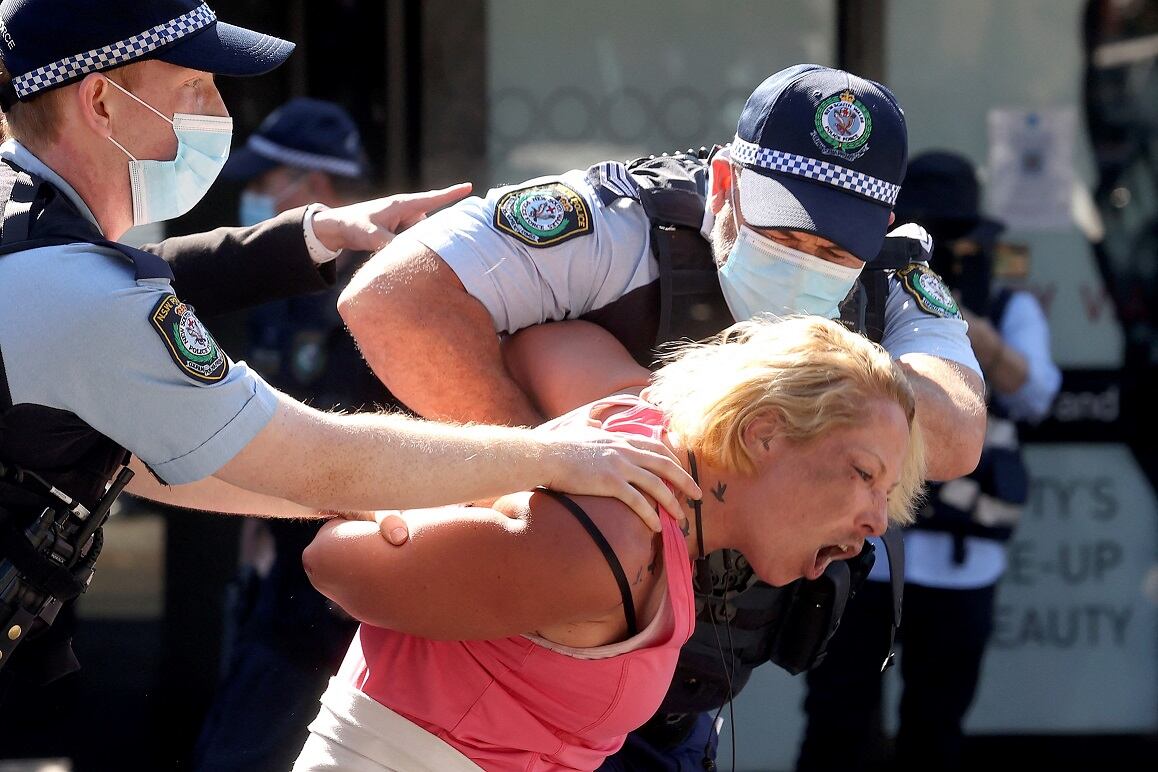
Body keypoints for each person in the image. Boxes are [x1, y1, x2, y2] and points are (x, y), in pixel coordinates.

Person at [0, 0, 700, 694]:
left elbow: (155, 454)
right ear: (101, 102)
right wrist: (554, 455)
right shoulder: (81, 297)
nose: (217, 109)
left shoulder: (28, 228)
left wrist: (315, 235)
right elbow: (308, 455)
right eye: (193, 84)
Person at [336, 63, 987, 767]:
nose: (805, 266)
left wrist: (810, 380)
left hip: (673, 709)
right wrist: (547, 478)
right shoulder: (622, 224)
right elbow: (392, 301)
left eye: (834, 252)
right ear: (725, 183)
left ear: (878, 230)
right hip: (508, 689)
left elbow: (955, 437)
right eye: (784, 235)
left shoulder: (889, 277)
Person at [292, 314, 928, 772]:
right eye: (864, 474)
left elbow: (548, 339)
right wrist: (433, 496)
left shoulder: (646, 453)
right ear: (764, 434)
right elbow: (329, 559)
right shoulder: (611, 537)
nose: (877, 520)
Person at [794, 150, 1062, 772]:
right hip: (861, 554)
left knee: (936, 727)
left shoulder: (1009, 308)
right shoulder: (864, 295)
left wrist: (966, 335)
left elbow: (1039, 393)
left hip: (963, 560)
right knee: (836, 719)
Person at [190, 97, 392, 772]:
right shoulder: (285, 290)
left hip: (348, 598)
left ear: (317, 184)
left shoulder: (382, 291)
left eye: (267, 180)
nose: (255, 196)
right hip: (279, 581)